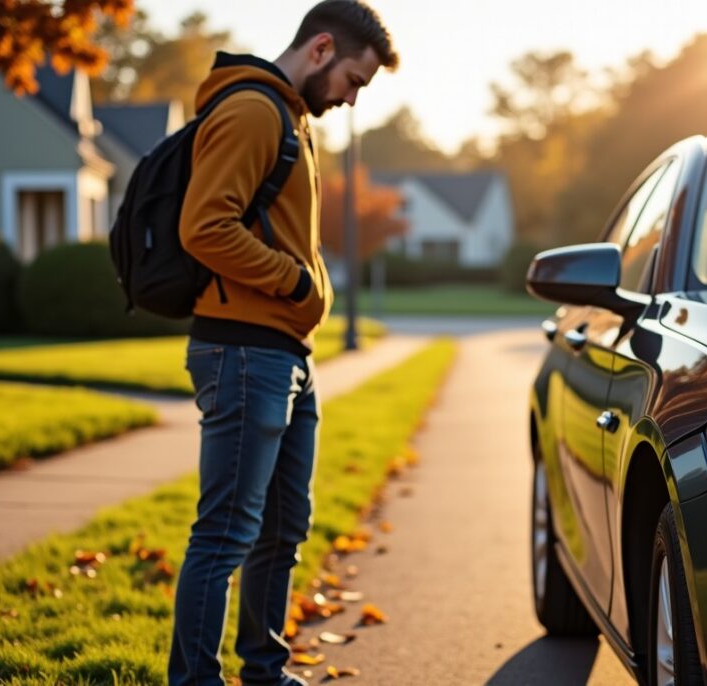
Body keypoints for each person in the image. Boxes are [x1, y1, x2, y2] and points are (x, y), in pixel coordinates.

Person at [168, 3, 397, 684]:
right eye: (353, 81)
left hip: (284, 353)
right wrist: (295, 282)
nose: (352, 99)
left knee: (282, 529)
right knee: (226, 533)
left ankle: (264, 672)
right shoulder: (252, 111)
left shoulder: (292, 119)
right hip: (243, 350)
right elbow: (204, 227)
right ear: (321, 48)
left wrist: (303, 291)